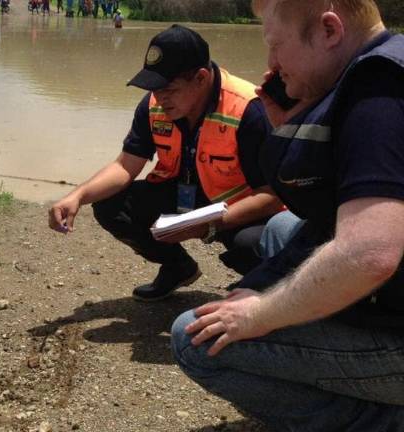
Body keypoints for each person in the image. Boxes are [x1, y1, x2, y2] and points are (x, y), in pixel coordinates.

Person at [172, 1, 404, 429]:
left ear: (329, 31)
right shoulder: (379, 66)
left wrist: (259, 313)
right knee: (280, 229)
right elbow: (322, 212)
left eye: (276, 45)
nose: (272, 64)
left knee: (194, 339)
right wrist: (292, 127)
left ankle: (381, 421)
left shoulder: (378, 92)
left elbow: (371, 254)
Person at [48, 24, 283, 302]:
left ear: (201, 78)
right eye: (155, 89)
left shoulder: (249, 109)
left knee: (254, 244)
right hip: (183, 193)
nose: (159, 99)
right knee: (110, 205)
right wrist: (77, 196)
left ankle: (270, 294)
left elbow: (272, 195)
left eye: (169, 89)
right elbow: (125, 166)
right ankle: (178, 267)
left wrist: (208, 225)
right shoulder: (154, 105)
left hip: (238, 207)